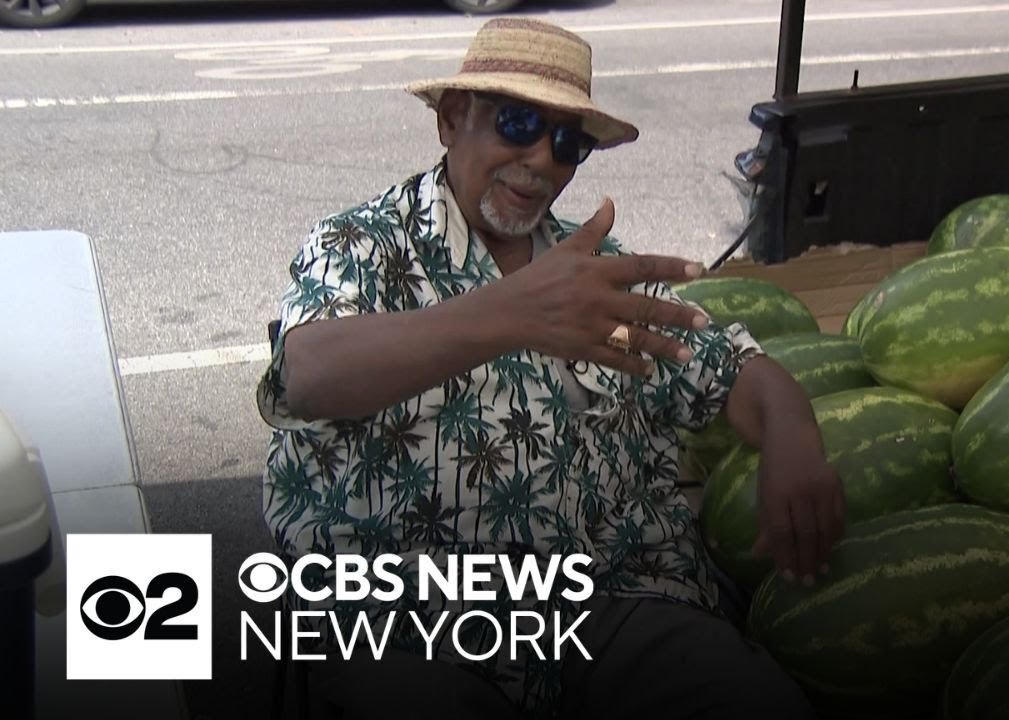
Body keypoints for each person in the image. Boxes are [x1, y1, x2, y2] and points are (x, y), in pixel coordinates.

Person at [256, 17, 844, 720]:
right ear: (452, 120)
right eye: (517, 124)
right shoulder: (361, 244)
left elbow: (728, 368)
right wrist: (514, 312)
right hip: (410, 615)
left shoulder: (592, 268)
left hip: (612, 594)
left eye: (567, 142)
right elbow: (307, 373)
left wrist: (792, 430)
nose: (541, 160)